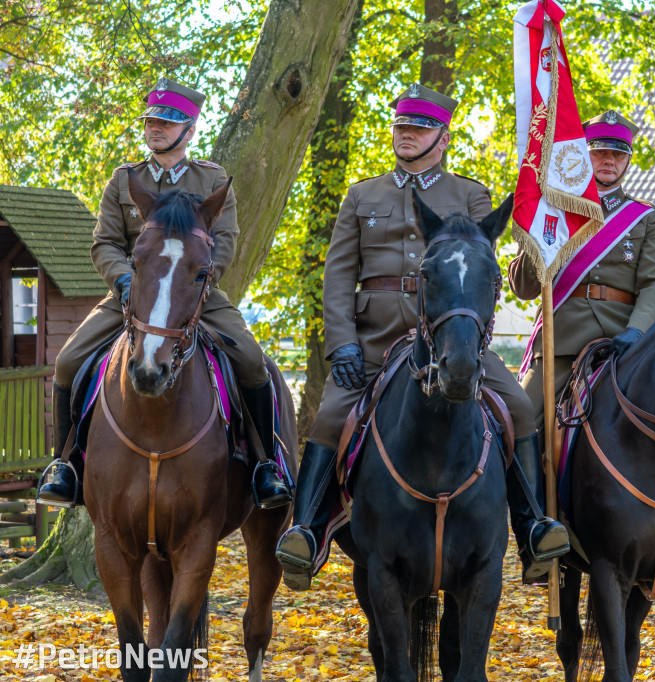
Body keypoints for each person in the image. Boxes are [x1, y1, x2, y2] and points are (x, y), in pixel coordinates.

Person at [274, 83, 569, 590]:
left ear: (442, 137)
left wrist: (475, 338)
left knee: (519, 408)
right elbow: (339, 275)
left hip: (451, 336)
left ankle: (532, 528)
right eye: (401, 126)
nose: (406, 135)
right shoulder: (362, 195)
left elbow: (480, 272)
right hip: (374, 335)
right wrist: (341, 342)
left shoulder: (469, 195)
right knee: (328, 417)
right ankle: (307, 533)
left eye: (418, 128)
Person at [36, 77, 291, 510]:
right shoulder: (124, 180)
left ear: (189, 130)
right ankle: (67, 465)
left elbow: (225, 241)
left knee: (250, 360)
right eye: (151, 120)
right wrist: (125, 282)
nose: (155, 128)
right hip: (132, 296)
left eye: (167, 122)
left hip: (194, 298)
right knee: (67, 361)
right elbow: (104, 243)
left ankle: (267, 465)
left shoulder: (212, 180)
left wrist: (197, 285)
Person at [508, 109, 655, 542]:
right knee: (517, 419)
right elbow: (525, 289)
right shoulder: (555, 210)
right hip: (561, 343)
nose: (608, 161)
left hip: (623, 344)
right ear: (584, 157)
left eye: (617, 155)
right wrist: (535, 237)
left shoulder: (644, 218)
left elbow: (654, 285)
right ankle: (530, 523)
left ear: (627, 161)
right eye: (600, 153)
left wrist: (637, 332)